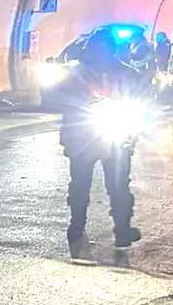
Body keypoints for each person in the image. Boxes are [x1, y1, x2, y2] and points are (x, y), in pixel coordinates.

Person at [57, 28, 145, 260]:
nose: (104, 52)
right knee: (92, 184)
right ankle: (81, 227)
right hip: (86, 134)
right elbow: (62, 97)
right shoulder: (79, 73)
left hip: (108, 134)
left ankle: (118, 229)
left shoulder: (124, 72)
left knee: (113, 184)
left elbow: (138, 98)